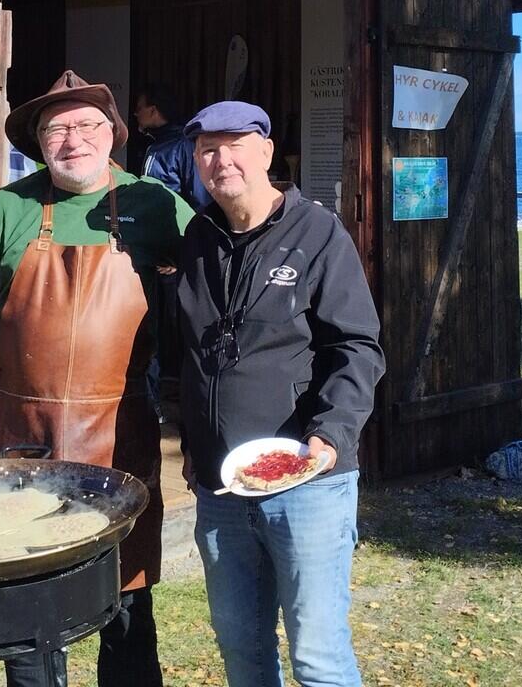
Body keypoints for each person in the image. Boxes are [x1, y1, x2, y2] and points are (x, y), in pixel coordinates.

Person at [0, 70, 194, 687]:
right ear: (36, 141)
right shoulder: (7, 209)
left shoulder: (157, 204)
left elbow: (221, 288)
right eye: (56, 127)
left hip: (120, 438)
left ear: (113, 133)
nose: (73, 139)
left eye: (87, 124)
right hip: (20, 439)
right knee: (27, 610)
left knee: (126, 605)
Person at [176, 101, 385, 687]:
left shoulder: (318, 233)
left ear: (266, 151)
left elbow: (358, 347)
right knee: (241, 650)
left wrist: (329, 434)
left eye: (233, 144)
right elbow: (191, 355)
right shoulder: (198, 236)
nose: (219, 160)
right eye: (206, 150)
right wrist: (192, 441)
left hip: (308, 479)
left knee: (317, 657)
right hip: (222, 486)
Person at [134, 83, 211, 212]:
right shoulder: (154, 144)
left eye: (139, 108)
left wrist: (194, 230)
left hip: (177, 229)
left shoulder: (184, 144)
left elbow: (200, 199)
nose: (135, 114)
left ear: (153, 111)